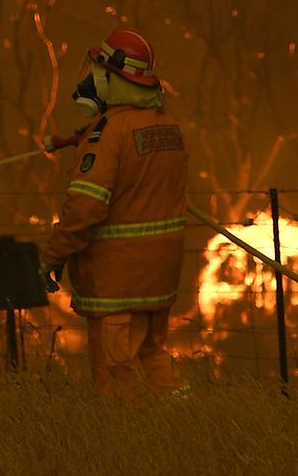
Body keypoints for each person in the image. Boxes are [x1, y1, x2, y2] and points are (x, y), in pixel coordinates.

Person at [42, 28, 189, 396]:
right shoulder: (168, 128)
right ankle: (183, 424)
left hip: (116, 280)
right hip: (161, 275)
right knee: (153, 354)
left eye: (95, 72)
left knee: (115, 374)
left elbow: (85, 210)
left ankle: (122, 441)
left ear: (111, 76)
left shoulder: (107, 133)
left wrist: (50, 257)